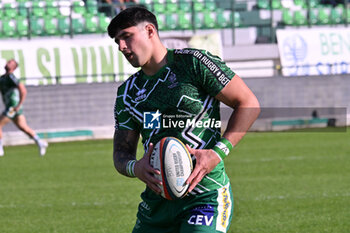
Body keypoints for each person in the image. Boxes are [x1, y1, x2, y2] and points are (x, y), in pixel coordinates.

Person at [108, 7, 260, 233]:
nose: (122, 47)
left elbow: (248, 103)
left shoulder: (193, 64)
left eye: (126, 37)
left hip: (205, 196)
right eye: (117, 41)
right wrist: (135, 167)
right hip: (156, 206)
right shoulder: (127, 93)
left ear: (150, 30)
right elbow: (121, 154)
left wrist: (217, 153)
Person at [0, 59, 48, 157]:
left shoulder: (11, 77)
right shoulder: (3, 78)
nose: (7, 63)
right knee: (23, 127)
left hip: (12, 107)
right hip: (13, 107)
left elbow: (23, 90)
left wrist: (18, 105)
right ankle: (40, 142)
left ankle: (0, 149)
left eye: (10, 63)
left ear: (14, 67)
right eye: (7, 62)